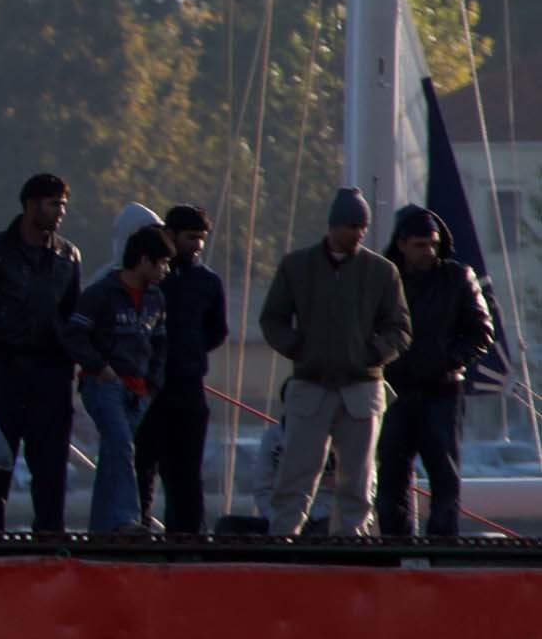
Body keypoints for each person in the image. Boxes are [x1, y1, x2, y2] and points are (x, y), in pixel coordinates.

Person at [256, 188, 411, 540]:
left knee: (357, 477)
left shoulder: (382, 272)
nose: (359, 233)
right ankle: (284, 540)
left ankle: (351, 541)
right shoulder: (296, 267)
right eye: (352, 225)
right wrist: (298, 348)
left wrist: (374, 354)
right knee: (296, 471)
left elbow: (400, 329)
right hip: (311, 385)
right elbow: (273, 319)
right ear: (333, 225)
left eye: (363, 226)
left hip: (362, 388)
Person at [0, 173, 85, 535]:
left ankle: (50, 541)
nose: (60, 212)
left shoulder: (68, 255)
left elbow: (73, 315)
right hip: (4, 370)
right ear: (31, 205)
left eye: (63, 204)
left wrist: (72, 366)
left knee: (50, 467)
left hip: (52, 374)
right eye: (53, 204)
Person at [378, 203, 494, 539]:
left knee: (444, 478)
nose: (428, 251)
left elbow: (481, 330)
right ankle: (393, 556)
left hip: (441, 391)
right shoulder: (385, 278)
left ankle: (442, 555)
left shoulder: (457, 278)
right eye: (420, 244)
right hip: (395, 391)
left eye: (432, 243)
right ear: (401, 243)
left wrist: (451, 359)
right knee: (391, 481)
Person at [64, 222, 175, 534]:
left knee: (115, 454)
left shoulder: (156, 300)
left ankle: (102, 529)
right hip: (105, 385)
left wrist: (153, 385)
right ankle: (126, 520)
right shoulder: (101, 294)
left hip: (139, 392)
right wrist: (102, 369)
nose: (166, 270)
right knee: (122, 446)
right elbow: (74, 334)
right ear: (143, 260)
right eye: (162, 262)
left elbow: (160, 344)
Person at [134, 203, 229, 538]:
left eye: (202, 238)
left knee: (186, 474)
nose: (198, 246)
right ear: (170, 236)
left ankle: (188, 541)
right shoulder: (150, 277)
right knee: (141, 468)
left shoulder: (207, 282)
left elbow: (217, 331)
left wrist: (188, 354)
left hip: (188, 388)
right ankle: (138, 534)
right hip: (148, 388)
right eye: (191, 238)